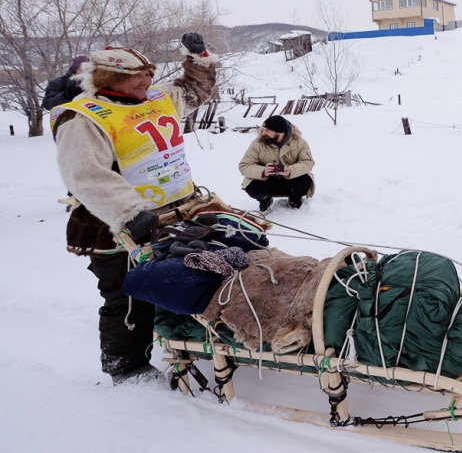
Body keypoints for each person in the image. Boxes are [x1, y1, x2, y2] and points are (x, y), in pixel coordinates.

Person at [50, 33, 218, 385]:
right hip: (118, 224)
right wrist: (129, 213)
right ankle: (126, 367)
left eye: (147, 73)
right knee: (129, 296)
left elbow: (192, 90)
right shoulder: (82, 118)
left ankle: (186, 340)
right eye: (135, 76)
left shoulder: (156, 99)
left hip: (177, 211)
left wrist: (198, 57)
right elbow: (84, 174)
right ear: (108, 79)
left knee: (188, 278)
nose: (146, 80)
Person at [238, 114, 316, 213]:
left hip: (290, 180)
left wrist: (291, 170)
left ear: (280, 132)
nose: (263, 132)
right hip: (267, 181)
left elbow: (308, 162)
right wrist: (263, 171)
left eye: (267, 130)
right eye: (263, 129)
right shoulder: (258, 143)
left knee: (306, 181)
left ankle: (294, 198)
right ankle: (265, 199)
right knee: (252, 187)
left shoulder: (299, 142)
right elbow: (244, 165)